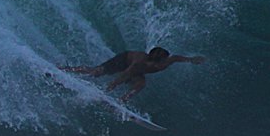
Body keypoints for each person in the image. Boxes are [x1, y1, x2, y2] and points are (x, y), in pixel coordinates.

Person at [61, 46, 204, 101]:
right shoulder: (139, 62)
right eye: (160, 61)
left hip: (135, 70)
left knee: (141, 83)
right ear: (153, 59)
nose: (162, 64)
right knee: (96, 72)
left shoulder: (167, 61)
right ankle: (66, 69)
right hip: (123, 61)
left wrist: (191, 60)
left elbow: (177, 58)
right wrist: (107, 90)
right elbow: (123, 76)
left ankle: (122, 100)